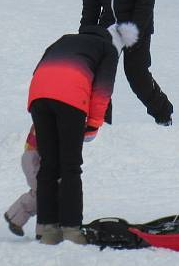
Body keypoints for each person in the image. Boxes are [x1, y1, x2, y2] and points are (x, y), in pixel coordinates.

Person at [27, 22, 137, 245]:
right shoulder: (108, 50)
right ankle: (71, 230)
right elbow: (102, 90)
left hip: (38, 96)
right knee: (70, 166)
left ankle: (47, 230)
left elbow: (39, 69)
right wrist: (94, 124)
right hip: (71, 99)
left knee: (48, 164)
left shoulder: (64, 39)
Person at [81, 0, 174, 125]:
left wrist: (134, 30)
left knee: (137, 74)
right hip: (107, 28)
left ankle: (163, 114)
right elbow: (90, 3)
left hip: (136, 27)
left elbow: (145, 2)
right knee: (99, 76)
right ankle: (102, 122)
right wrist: (86, 33)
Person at [3, 125, 40, 238]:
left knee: (42, 196)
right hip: (33, 159)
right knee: (42, 194)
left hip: (36, 158)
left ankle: (14, 218)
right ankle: (42, 232)